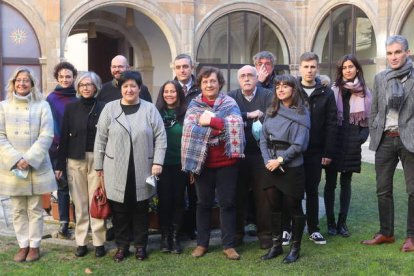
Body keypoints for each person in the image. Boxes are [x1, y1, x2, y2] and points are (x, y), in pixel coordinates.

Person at [94, 70, 166, 262]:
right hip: (115, 168)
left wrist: (158, 161)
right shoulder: (109, 109)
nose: (129, 89)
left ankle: (141, 246)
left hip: (143, 167)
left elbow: (160, 137)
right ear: (121, 89)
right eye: (125, 86)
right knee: (120, 211)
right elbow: (100, 139)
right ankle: (122, 246)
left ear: (139, 88)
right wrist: (98, 166)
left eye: (133, 86)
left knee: (141, 209)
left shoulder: (149, 109)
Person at [182, 66, 245, 260]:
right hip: (203, 163)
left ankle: (228, 245)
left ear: (220, 84)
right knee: (203, 204)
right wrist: (219, 126)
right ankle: (202, 244)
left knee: (227, 203)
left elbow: (236, 125)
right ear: (200, 84)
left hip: (227, 162)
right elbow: (190, 130)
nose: (209, 85)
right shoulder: (194, 104)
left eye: (213, 81)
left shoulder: (230, 102)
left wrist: (209, 122)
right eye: (205, 81)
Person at [362, 35, 414, 252]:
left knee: (413, 190)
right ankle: (386, 233)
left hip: (409, 139)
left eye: (397, 52)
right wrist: (375, 128)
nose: (393, 57)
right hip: (385, 138)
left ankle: (411, 236)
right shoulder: (381, 77)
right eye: (390, 53)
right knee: (383, 189)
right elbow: (375, 108)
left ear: (407, 53)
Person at [0, 67, 56, 262]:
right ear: (13, 83)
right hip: (12, 167)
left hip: (35, 164)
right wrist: (16, 159)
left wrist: (29, 159)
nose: (22, 83)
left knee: (34, 208)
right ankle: (22, 245)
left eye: (26, 80)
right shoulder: (3, 106)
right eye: (18, 80)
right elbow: (0, 136)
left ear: (32, 84)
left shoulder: (42, 106)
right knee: (17, 209)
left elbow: (47, 134)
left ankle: (34, 246)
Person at [285, 52, 337, 246]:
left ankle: (313, 229)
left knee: (312, 189)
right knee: (292, 190)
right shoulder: (292, 89)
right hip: (293, 149)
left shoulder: (326, 92)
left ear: (318, 68)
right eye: (306, 66)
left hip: (316, 150)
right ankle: (288, 228)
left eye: (313, 67)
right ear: (299, 68)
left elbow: (332, 123)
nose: (309, 70)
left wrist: (328, 151)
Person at [259, 74, 310, 264]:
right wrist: (268, 161)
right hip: (270, 165)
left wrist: (280, 160)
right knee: (274, 207)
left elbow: (299, 145)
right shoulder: (272, 110)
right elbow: (263, 138)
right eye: (278, 86)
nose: (280, 89)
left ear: (294, 89)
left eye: (285, 86)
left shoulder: (301, 113)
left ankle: (295, 248)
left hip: (291, 166)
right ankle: (276, 246)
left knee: (293, 207)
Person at [55, 71, 107, 257]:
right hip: (75, 159)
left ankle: (99, 241)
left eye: (89, 84)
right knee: (80, 203)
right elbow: (64, 137)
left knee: (97, 201)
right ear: (78, 87)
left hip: (98, 160)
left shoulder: (104, 107)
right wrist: (60, 165)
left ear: (96, 87)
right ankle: (82, 241)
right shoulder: (71, 108)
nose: (86, 88)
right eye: (82, 85)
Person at [324, 54, 371, 237]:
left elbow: (368, 120)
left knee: (346, 183)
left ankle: (342, 223)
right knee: (330, 183)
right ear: (340, 70)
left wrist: (360, 138)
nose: (348, 70)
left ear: (357, 69)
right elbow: (329, 118)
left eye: (350, 66)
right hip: (334, 140)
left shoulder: (366, 92)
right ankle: (330, 222)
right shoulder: (333, 90)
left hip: (352, 142)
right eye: (344, 67)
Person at [228, 65, 273, 249]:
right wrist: (248, 115)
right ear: (238, 80)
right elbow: (227, 117)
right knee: (237, 195)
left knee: (263, 195)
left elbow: (272, 115)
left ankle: (265, 235)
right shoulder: (231, 97)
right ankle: (237, 234)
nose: (246, 79)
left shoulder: (267, 95)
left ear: (257, 78)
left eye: (250, 75)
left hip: (261, 155)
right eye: (243, 76)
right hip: (238, 155)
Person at [46, 61, 79, 238]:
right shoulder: (51, 99)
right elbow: (49, 125)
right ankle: (64, 223)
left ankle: (82, 222)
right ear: (57, 78)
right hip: (57, 149)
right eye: (61, 77)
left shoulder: (79, 97)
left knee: (80, 187)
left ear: (73, 77)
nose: (65, 79)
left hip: (77, 149)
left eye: (68, 76)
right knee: (63, 186)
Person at [155, 80, 187, 254]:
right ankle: (164, 237)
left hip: (180, 164)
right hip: (161, 165)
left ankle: (175, 237)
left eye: (173, 91)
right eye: (166, 91)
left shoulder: (186, 112)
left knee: (178, 200)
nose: (169, 94)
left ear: (179, 94)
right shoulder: (156, 112)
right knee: (164, 200)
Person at [172, 53, 200, 239]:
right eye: (178, 67)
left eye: (185, 66)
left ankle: (192, 228)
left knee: (195, 192)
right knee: (176, 192)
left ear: (192, 68)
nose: (182, 70)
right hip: (174, 148)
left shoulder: (200, 90)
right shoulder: (170, 88)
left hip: (195, 147)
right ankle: (178, 229)